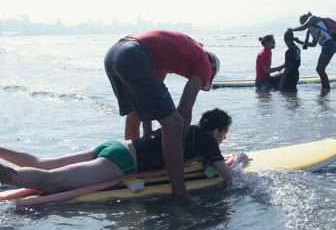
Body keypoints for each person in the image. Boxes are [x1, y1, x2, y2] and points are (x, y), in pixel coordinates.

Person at [0, 109, 248, 194]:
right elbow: (228, 179)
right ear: (216, 131)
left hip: (117, 146)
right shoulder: (207, 141)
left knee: (43, 163)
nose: (223, 140)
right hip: (122, 162)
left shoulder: (186, 128)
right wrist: (238, 161)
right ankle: (9, 177)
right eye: (225, 135)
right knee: (53, 182)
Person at [104, 30, 220, 196]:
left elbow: (148, 104)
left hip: (115, 53)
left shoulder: (176, 53)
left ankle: (132, 160)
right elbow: (184, 110)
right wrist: (180, 153)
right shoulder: (204, 64)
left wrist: (148, 138)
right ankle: (180, 194)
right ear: (212, 67)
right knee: (175, 124)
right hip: (133, 55)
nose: (204, 78)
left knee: (134, 115)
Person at [288, 13, 336, 90]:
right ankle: (325, 88)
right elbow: (313, 44)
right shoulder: (312, 29)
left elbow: (303, 27)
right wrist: (299, 42)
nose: (301, 24)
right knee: (320, 69)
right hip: (327, 45)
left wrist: (292, 29)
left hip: (329, 44)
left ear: (306, 19)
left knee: (320, 69)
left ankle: (326, 89)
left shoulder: (313, 18)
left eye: (302, 22)